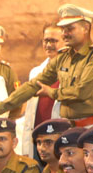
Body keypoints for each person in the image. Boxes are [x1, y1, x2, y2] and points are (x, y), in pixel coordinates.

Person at [0, 3, 93, 126]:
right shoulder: (63, 57)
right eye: (63, 29)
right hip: (67, 129)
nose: (65, 34)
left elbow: (82, 92)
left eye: (70, 29)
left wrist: (51, 92)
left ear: (86, 28)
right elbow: (33, 85)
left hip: (91, 128)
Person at [19, 24, 65, 156]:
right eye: (46, 40)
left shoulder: (73, 70)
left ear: (65, 41)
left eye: (54, 41)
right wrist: (26, 147)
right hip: (37, 140)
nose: (49, 45)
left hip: (60, 138)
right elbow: (29, 114)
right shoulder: (36, 72)